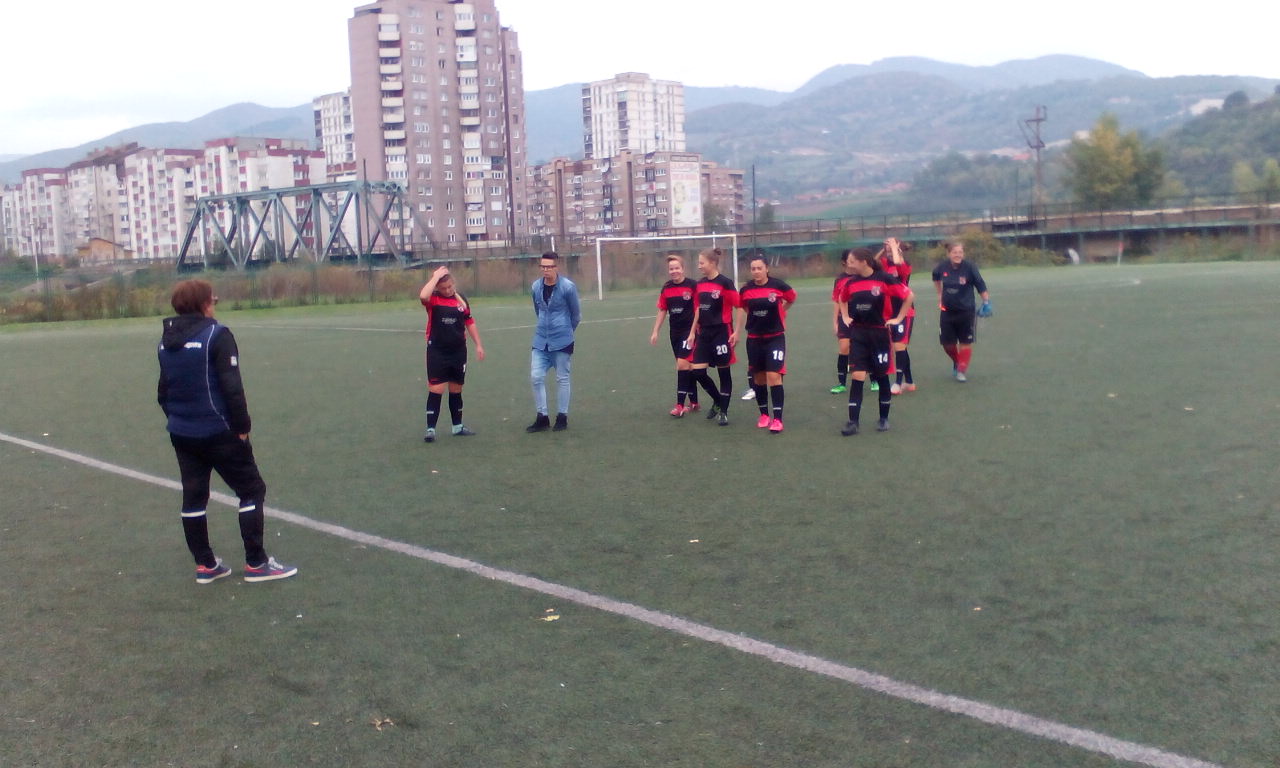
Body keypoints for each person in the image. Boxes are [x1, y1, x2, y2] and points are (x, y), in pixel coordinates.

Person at [156, 279, 296, 584]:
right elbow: (232, 387)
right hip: (218, 430)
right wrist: (242, 427)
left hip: (182, 432)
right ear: (203, 304)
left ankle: (206, 565)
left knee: (194, 496)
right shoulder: (217, 335)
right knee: (251, 490)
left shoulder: (165, 341)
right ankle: (257, 563)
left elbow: (163, 393)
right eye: (213, 300)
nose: (215, 305)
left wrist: (179, 419)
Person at [838, 247, 914, 435]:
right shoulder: (851, 282)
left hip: (879, 334)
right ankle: (853, 422)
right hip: (859, 334)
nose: (849, 264)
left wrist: (898, 318)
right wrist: (845, 316)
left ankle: (883, 418)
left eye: (852, 261)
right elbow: (842, 298)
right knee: (857, 375)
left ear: (863, 262)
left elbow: (908, 296)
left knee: (881, 375)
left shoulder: (884, 279)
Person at [419, 265, 484, 442]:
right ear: (437, 288)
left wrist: (478, 345)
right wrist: (435, 276)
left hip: (458, 351)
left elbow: (469, 321)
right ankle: (430, 429)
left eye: (450, 286)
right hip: (437, 351)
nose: (447, 290)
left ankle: (457, 427)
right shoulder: (433, 299)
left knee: (456, 388)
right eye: (443, 288)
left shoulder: (461, 299)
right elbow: (423, 296)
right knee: (436, 389)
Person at [735, 255, 797, 433]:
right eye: (753, 269)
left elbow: (792, 298)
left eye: (759, 268)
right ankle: (764, 415)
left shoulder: (778, 285)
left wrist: (781, 311)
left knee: (774, 376)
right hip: (754, 338)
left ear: (766, 269)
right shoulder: (746, 289)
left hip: (775, 337)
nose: (756, 271)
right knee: (759, 378)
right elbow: (743, 306)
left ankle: (777, 418)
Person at [685, 247, 740, 426]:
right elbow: (698, 309)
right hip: (704, 333)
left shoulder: (725, 283)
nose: (699, 266)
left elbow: (739, 306)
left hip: (722, 332)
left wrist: (737, 331)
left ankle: (723, 412)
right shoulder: (699, 284)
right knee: (698, 371)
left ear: (712, 263)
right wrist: (692, 332)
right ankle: (718, 400)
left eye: (702, 263)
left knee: (724, 372)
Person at [527, 252, 581, 432]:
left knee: (562, 378)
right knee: (536, 376)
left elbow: (576, 315)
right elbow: (538, 310)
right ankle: (542, 417)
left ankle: (562, 417)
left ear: (556, 267)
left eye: (549, 266)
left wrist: (566, 331)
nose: (546, 270)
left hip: (562, 341)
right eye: (543, 266)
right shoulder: (536, 287)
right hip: (540, 340)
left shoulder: (568, 287)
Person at [649, 253, 701, 417]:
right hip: (675, 333)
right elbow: (662, 309)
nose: (674, 271)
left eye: (677, 268)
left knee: (682, 365)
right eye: (671, 269)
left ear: (683, 269)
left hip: (689, 332)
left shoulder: (692, 285)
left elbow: (698, 309)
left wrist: (693, 331)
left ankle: (679, 406)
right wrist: (655, 331)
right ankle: (694, 401)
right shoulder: (667, 287)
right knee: (687, 367)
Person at [932, 241, 992, 382]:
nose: (958, 255)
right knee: (947, 345)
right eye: (955, 252)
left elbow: (980, 284)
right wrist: (939, 294)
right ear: (949, 254)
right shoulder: (942, 267)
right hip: (947, 311)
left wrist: (986, 302)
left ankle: (961, 371)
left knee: (965, 341)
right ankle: (957, 361)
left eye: (960, 252)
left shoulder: (969, 267)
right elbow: (935, 277)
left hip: (966, 311)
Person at [878, 237, 917, 394]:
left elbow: (898, 262)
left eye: (891, 247)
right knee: (900, 347)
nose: (889, 249)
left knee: (899, 346)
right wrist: (884, 249)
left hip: (904, 311)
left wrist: (894, 247)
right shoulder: (884, 263)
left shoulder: (904, 264)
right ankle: (909, 382)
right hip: (889, 311)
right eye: (887, 247)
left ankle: (898, 383)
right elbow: (871, 263)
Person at [829, 248, 859, 394]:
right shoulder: (840, 280)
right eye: (850, 260)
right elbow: (837, 301)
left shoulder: (862, 276)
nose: (853, 262)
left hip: (862, 318)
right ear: (844, 262)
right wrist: (835, 322)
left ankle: (874, 380)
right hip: (844, 318)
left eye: (855, 260)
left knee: (866, 347)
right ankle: (842, 383)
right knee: (844, 348)